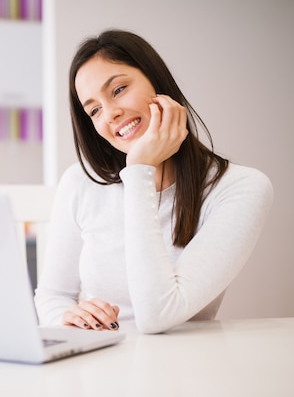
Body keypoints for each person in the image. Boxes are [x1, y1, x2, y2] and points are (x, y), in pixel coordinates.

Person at [33, 29, 273, 334]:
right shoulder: (81, 182)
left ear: (157, 83)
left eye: (118, 90)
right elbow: (53, 296)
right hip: (99, 365)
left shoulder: (240, 188)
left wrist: (139, 170)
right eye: (94, 109)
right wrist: (68, 319)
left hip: (184, 370)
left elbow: (158, 315)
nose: (110, 114)